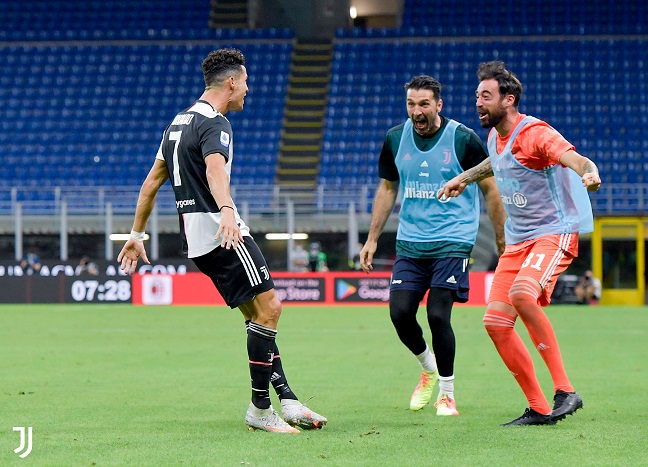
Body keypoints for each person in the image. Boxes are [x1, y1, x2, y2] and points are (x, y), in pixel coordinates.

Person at [117, 48, 326, 434]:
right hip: (222, 231)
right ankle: (261, 410)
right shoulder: (215, 124)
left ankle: (289, 400)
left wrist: (135, 234)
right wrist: (228, 210)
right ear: (231, 82)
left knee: (256, 318)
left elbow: (151, 182)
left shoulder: (176, 124)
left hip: (197, 241)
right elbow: (216, 170)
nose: (248, 89)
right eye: (245, 82)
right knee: (271, 309)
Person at [438, 61, 601, 426]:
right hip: (518, 241)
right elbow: (495, 162)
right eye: (476, 96)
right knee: (495, 322)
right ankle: (540, 407)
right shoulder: (497, 137)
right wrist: (463, 178)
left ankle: (565, 390)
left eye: (485, 96)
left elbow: (572, 156)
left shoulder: (536, 133)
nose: (477, 103)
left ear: (508, 99)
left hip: (552, 232)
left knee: (523, 295)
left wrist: (588, 171)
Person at [359, 75, 506, 417]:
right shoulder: (395, 138)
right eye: (411, 104)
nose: (417, 111)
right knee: (399, 313)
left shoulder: (463, 139)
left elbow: (491, 189)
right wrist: (372, 239)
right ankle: (428, 368)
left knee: (438, 314)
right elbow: (387, 189)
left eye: (424, 104)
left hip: (453, 240)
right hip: (411, 242)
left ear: (438, 105)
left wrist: (501, 239)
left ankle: (447, 393)